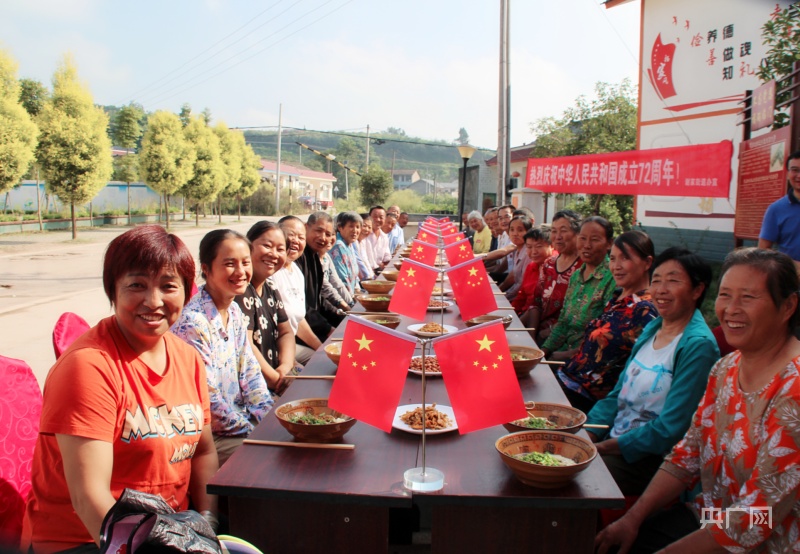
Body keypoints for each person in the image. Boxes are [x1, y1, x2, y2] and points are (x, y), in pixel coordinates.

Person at [23, 225, 219, 552]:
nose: (153, 301)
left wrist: (208, 521)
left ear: (187, 292)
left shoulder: (188, 358)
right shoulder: (88, 367)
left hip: (169, 527)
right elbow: (89, 498)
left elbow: (204, 451)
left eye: (168, 286)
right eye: (136, 285)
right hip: (87, 538)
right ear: (112, 290)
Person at [596, 247, 800, 554]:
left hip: (772, 540)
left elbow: (758, 515)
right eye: (726, 295)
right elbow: (687, 454)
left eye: (748, 297)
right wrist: (632, 519)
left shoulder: (793, 388)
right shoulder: (726, 369)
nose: (731, 309)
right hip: (710, 513)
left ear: (788, 307)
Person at [585, 247, 719, 496]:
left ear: (698, 290)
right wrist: (589, 432)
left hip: (650, 459)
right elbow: (617, 394)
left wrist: (604, 448)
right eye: (656, 280)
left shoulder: (697, 346)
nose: (661, 290)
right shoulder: (654, 328)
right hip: (615, 440)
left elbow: (670, 428)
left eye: (673, 281)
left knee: (576, 477)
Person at [172, 229, 273, 466]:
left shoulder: (235, 312)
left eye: (245, 263)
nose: (240, 272)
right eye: (229, 264)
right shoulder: (194, 323)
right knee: (272, 457)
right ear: (206, 269)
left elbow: (251, 372)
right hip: (209, 434)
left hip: (238, 419)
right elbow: (209, 403)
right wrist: (255, 430)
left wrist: (269, 419)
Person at [555, 230, 658, 412]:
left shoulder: (645, 310)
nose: (616, 266)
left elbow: (636, 372)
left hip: (587, 401)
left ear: (647, 263)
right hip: (567, 379)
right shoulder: (617, 298)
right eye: (612, 259)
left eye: (624, 259)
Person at [235, 221, 298, 395]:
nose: (273, 254)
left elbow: (286, 332)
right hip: (254, 388)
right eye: (267, 246)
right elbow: (245, 344)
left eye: (280, 249)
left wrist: (285, 367)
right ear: (248, 246)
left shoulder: (271, 287)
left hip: (277, 375)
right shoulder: (240, 289)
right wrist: (274, 379)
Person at [540, 216, 616, 360]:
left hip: (586, 359)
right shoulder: (576, 276)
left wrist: (565, 356)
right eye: (582, 238)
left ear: (609, 244)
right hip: (561, 350)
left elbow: (605, 334)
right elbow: (563, 323)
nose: (587, 245)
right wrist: (543, 351)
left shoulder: (612, 278)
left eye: (594, 240)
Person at [522, 210, 583, 343]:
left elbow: (576, 315)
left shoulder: (583, 267)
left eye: (563, 230)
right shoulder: (549, 264)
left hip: (563, 338)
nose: (557, 236)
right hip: (537, 332)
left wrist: (547, 333)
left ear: (578, 233)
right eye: (554, 231)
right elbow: (536, 303)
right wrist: (531, 336)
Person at [272, 216, 323, 365]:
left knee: (321, 360)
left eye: (301, 237)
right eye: (291, 234)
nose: (295, 240)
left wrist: (321, 348)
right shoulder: (271, 272)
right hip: (273, 347)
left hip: (290, 344)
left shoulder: (296, 271)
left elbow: (298, 320)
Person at [295, 211, 339, 339]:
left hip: (315, 322)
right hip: (301, 329)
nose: (323, 238)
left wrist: (341, 315)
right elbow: (300, 305)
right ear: (306, 227)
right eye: (318, 231)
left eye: (328, 234)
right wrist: (327, 328)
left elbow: (319, 300)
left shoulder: (315, 256)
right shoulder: (298, 256)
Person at [759, 150, 800, 270]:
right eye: (795, 170)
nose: (799, 175)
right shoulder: (776, 209)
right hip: (792, 279)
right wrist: (793, 266)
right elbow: (763, 251)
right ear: (788, 174)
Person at [512, 228, 555, 315]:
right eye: (529, 247)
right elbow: (522, 296)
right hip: (524, 315)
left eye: (539, 246)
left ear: (552, 246)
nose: (534, 252)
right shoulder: (531, 266)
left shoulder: (556, 268)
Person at [500, 215, 534, 301]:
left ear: (528, 232)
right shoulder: (518, 249)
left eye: (520, 230)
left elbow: (521, 284)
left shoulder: (528, 252)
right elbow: (512, 276)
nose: (515, 233)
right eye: (512, 230)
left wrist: (505, 297)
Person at [330, 211, 362, 297]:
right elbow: (342, 280)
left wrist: (357, 291)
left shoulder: (350, 244)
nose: (355, 230)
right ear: (340, 227)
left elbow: (354, 275)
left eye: (358, 227)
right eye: (351, 226)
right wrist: (353, 300)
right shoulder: (338, 246)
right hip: (342, 298)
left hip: (351, 294)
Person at [366, 206, 392, 270]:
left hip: (379, 270)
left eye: (381, 217)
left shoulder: (384, 236)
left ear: (385, 219)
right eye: (375, 216)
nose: (378, 219)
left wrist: (386, 262)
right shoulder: (364, 235)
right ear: (369, 217)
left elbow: (387, 255)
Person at [355, 216, 376, 280]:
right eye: (364, 226)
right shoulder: (353, 243)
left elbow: (366, 262)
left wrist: (372, 276)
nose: (366, 229)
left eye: (369, 227)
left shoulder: (363, 242)